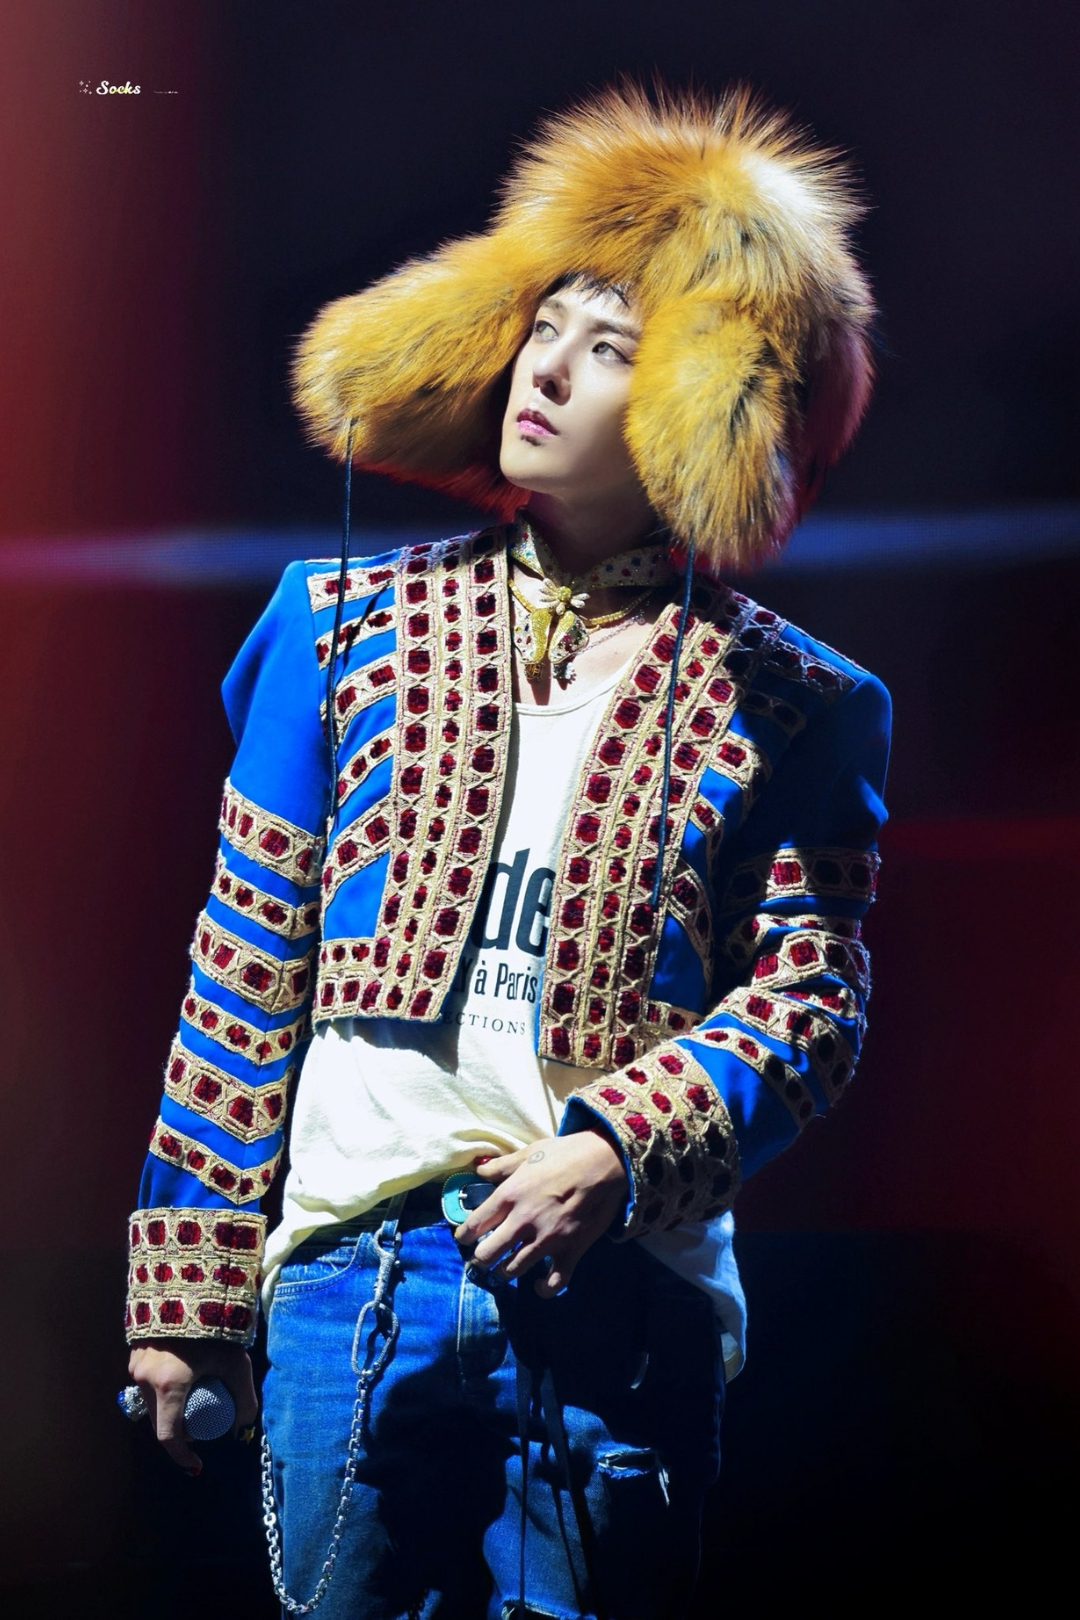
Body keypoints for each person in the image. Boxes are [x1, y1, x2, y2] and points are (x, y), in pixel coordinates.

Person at [125, 81, 891, 1619]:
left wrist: (618, 1148)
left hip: (627, 1290)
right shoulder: (333, 626)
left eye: (614, 346)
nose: (548, 365)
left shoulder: (799, 700)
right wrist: (185, 1285)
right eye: (548, 321)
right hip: (352, 1272)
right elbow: (248, 960)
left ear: (706, 395)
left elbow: (813, 1001)